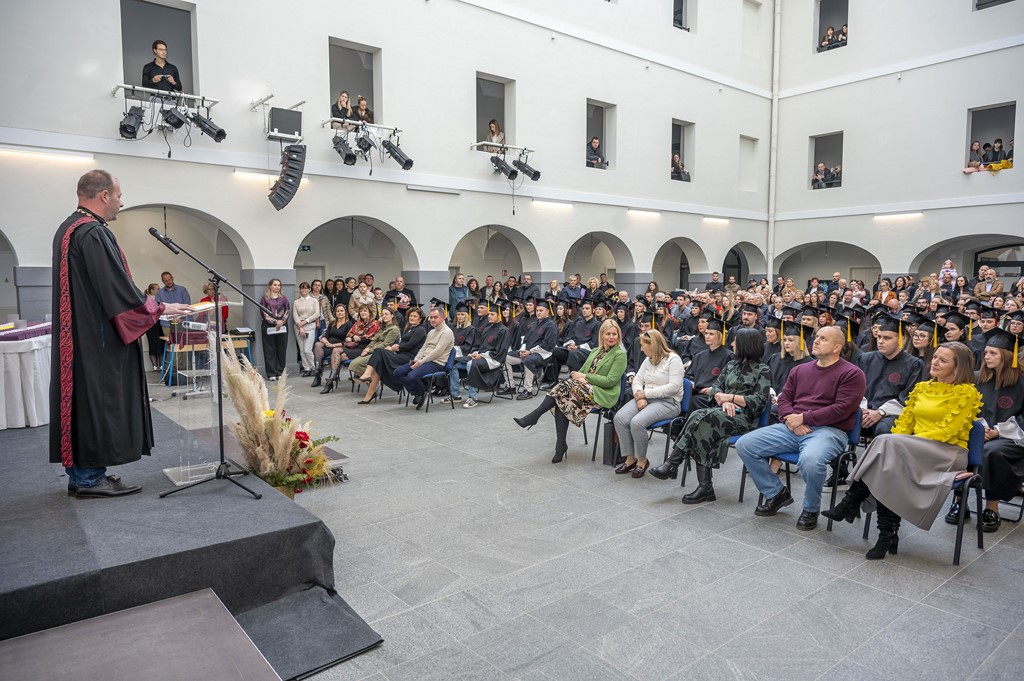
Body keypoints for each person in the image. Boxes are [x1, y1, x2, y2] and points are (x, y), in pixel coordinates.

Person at [51, 170, 194, 497]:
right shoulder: (92, 232)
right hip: (97, 339)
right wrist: (160, 308)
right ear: (104, 195)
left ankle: (81, 474)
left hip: (81, 334)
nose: (121, 202)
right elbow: (116, 288)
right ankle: (89, 478)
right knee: (97, 402)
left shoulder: (69, 228)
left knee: (82, 401)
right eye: (118, 195)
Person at [824, 343, 982, 559]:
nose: (935, 362)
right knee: (889, 465)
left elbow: (948, 431)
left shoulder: (966, 393)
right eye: (935, 357)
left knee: (887, 444)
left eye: (943, 360)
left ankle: (852, 500)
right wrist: (904, 443)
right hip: (912, 448)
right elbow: (905, 424)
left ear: (957, 368)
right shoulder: (922, 388)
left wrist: (906, 443)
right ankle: (887, 534)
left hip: (945, 452)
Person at [735, 326, 867, 530]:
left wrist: (804, 417)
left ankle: (810, 508)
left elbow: (842, 409)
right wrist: (791, 419)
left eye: (823, 339)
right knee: (745, 445)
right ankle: (776, 493)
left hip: (829, 430)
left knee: (810, 461)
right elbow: (784, 399)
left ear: (837, 347)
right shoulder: (800, 370)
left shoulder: (852, 373)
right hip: (791, 426)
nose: (816, 341)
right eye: (816, 337)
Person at [652, 328, 771, 503]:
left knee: (701, 419)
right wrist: (723, 401)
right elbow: (716, 388)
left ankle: (675, 465)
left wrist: (730, 398)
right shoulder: (731, 365)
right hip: (722, 411)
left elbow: (760, 401)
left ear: (746, 345)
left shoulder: (762, 370)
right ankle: (702, 485)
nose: (732, 344)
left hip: (745, 418)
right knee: (701, 424)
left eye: (736, 341)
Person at [513, 319, 627, 463]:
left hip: (603, 393)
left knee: (562, 391)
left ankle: (535, 417)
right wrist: (577, 375)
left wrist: (586, 377)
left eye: (614, 334)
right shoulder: (595, 351)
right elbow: (583, 370)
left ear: (619, 336)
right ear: (602, 335)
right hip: (585, 388)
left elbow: (610, 381)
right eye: (608, 334)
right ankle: (560, 445)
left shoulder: (620, 354)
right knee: (562, 397)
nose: (611, 337)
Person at [950, 328, 1024, 532]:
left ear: (1007, 356)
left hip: (1012, 438)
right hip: (979, 433)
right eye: (986, 352)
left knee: (991, 452)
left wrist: (998, 431)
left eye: (993, 353)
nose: (987, 357)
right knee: (960, 444)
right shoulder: (976, 378)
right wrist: (980, 429)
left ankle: (992, 508)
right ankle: (959, 502)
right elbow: (964, 407)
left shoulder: (1022, 383)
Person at [613, 330, 685, 478]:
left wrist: (645, 394)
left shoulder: (673, 360)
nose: (641, 349)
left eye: (642, 345)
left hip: (669, 402)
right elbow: (637, 380)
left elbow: (674, 387)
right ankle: (630, 458)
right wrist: (640, 397)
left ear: (652, 345)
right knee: (619, 418)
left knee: (637, 422)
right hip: (646, 398)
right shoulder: (648, 360)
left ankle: (642, 460)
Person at [356, 306, 426, 403]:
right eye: (410, 316)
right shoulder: (409, 329)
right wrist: (394, 348)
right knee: (379, 362)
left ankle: (367, 375)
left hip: (410, 358)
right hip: (401, 355)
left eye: (415, 316)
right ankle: (369, 393)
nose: (412, 318)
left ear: (420, 319)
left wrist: (396, 347)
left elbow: (411, 345)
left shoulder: (420, 330)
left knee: (379, 351)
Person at [395, 307, 455, 409]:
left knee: (412, 376)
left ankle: (421, 391)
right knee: (398, 372)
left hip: (437, 363)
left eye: (435, 317)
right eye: (431, 317)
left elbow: (437, 352)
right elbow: (423, 348)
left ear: (443, 317)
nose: (432, 320)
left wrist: (421, 362)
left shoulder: (447, 332)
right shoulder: (431, 332)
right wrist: (417, 359)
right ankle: (419, 392)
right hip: (424, 361)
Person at [502, 302, 558, 399]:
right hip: (527, 352)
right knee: (506, 357)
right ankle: (510, 386)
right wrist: (522, 350)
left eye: (541, 311)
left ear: (547, 311)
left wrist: (530, 352)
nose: (538, 313)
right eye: (537, 311)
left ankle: (528, 390)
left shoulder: (551, 325)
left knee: (528, 360)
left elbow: (547, 344)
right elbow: (525, 340)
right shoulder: (533, 324)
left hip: (542, 354)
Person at [346, 307, 398, 380]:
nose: (384, 316)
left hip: (383, 352)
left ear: (392, 315)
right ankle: (369, 379)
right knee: (353, 363)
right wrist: (367, 348)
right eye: (382, 314)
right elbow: (374, 340)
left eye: (386, 314)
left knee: (356, 364)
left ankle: (373, 379)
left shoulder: (394, 329)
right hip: (373, 349)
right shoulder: (383, 327)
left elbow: (385, 344)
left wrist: (369, 350)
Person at [313, 304, 353, 392]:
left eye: (342, 311)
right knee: (317, 345)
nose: (340, 313)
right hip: (328, 345)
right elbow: (325, 336)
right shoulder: (332, 323)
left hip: (339, 347)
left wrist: (333, 345)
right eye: (338, 311)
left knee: (324, 349)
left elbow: (347, 342)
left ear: (345, 312)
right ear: (335, 313)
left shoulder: (349, 324)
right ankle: (318, 372)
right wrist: (326, 342)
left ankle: (325, 378)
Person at [259, 279, 290, 381]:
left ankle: (280, 372)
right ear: (270, 286)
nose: (277, 287)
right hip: (268, 326)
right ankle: (271, 373)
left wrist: (281, 322)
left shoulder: (284, 298)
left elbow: (287, 311)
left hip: (282, 326)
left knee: (281, 350)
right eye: (275, 285)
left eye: (279, 285)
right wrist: (275, 322)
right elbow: (263, 313)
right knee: (269, 350)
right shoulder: (265, 298)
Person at [292, 282, 319, 378]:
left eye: (306, 288)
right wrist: (300, 327)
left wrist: (306, 321)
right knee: (302, 350)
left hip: (310, 325)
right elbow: (295, 315)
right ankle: (307, 369)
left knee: (307, 349)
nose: (304, 290)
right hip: (299, 326)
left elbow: (317, 314)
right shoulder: (296, 302)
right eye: (302, 288)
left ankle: (314, 368)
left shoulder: (314, 300)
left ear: (309, 289)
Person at [144, 282, 163, 372]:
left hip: (159, 323)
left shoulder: (160, 298)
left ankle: (161, 365)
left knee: (160, 344)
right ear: (152, 290)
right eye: (157, 289)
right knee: (152, 344)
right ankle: (155, 366)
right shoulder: (147, 299)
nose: (160, 290)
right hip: (150, 325)